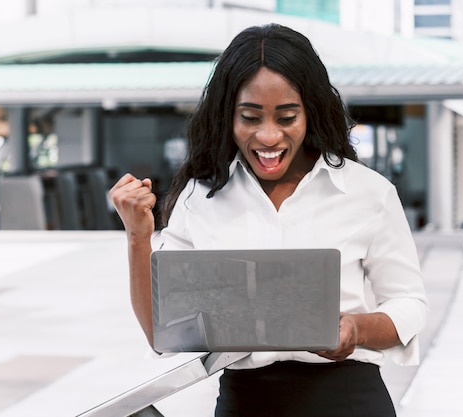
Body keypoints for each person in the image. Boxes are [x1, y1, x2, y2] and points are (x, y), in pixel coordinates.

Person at [109, 23, 428, 417]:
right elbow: (163, 332)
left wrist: (357, 329)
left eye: (287, 116)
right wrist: (138, 239)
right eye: (250, 117)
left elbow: (410, 303)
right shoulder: (200, 197)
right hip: (246, 402)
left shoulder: (368, 192)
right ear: (228, 116)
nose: (269, 136)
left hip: (348, 399)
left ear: (311, 112)